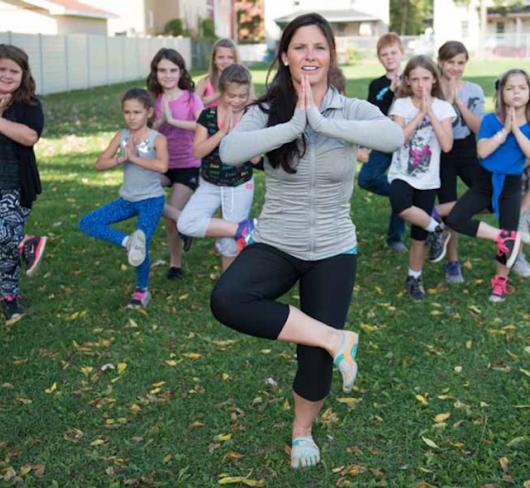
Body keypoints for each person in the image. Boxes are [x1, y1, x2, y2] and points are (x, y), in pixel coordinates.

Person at [211, 13, 403, 469]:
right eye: (300, 47)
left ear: (331, 55)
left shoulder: (351, 108)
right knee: (229, 298)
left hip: (335, 247)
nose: (310, 55)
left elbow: (393, 136)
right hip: (277, 240)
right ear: (285, 55)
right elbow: (229, 151)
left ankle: (302, 433)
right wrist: (295, 125)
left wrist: (322, 121)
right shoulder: (264, 111)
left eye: (319, 47)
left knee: (313, 360)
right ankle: (335, 338)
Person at [79, 88, 168, 308]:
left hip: (151, 200)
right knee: (87, 222)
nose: (131, 117)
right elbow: (100, 164)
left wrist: (135, 158)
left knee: (143, 241)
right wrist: (121, 159)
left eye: (137, 112)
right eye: (127, 112)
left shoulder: (158, 139)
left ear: (148, 112)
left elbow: (162, 166)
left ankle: (141, 290)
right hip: (126, 200)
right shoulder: (122, 136)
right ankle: (128, 242)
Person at [446, 69, 530, 302]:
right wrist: (504, 131)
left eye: (522, 88)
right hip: (484, 183)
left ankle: (500, 282)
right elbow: (482, 151)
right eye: (510, 88)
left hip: (512, 186)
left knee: (509, 229)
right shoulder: (491, 121)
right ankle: (502, 236)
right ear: (501, 93)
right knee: (455, 219)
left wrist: (516, 130)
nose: (516, 93)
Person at [177, 64, 259, 271]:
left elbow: (257, 158)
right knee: (186, 223)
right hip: (210, 184)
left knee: (229, 244)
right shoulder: (207, 116)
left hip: (239, 184)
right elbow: (198, 152)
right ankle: (247, 229)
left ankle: (228, 291)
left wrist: (241, 137)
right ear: (221, 91)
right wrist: (222, 133)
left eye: (242, 95)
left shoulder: (252, 116)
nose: (237, 101)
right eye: (232, 95)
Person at [388, 55, 456, 301]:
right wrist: (419, 115)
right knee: (399, 203)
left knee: (419, 235)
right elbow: (398, 138)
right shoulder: (401, 105)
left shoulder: (444, 108)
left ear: (434, 80)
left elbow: (447, 144)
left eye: (425, 78)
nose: (420, 84)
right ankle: (437, 228)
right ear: (407, 81)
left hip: (428, 178)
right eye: (414, 79)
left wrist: (431, 113)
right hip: (402, 173)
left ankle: (414, 277)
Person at [427, 41, 485, 283]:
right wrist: (445, 100)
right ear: (440, 62)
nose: (455, 67)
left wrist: (458, 102)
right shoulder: (431, 88)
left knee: (489, 193)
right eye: (450, 62)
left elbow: (479, 128)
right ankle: (452, 262)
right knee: (450, 201)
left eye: (460, 62)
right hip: (443, 152)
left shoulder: (474, 90)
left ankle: (431, 215)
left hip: (469, 149)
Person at [147, 48, 203, 280]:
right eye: (162, 70)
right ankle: (185, 222)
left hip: (188, 164)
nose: (167, 75)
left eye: (172, 70)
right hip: (161, 163)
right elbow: (142, 132)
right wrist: (159, 124)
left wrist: (174, 121)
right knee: (142, 193)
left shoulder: (191, 98)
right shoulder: (151, 99)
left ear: (181, 72)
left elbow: (204, 126)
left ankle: (175, 264)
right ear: (155, 72)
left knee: (170, 215)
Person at [0, 44, 47, 324]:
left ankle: (10, 296)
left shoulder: (28, 104)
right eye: (1, 69)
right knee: (3, 243)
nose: (6, 75)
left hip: (14, 185)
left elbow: (30, 137)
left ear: (23, 74)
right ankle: (24, 245)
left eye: (13, 71)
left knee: (5, 236)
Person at [357, 32, 407, 252]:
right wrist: (390, 91)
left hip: (407, 141)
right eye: (384, 54)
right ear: (379, 58)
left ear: (402, 53)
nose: (389, 58)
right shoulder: (377, 85)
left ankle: (396, 237)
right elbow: (373, 115)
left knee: (401, 182)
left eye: (393, 53)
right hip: (383, 141)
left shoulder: (413, 79)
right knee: (367, 178)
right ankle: (407, 197)